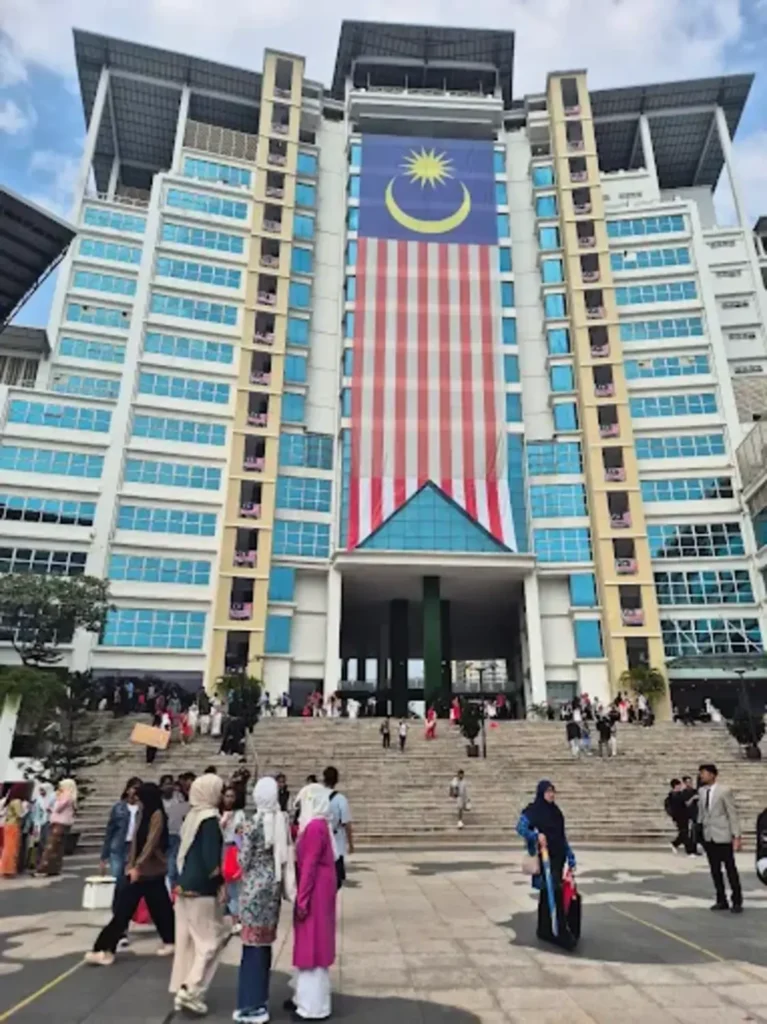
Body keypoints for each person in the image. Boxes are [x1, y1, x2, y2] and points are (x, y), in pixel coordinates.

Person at [86, 782, 175, 966]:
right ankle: (171, 940)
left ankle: (104, 949)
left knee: (124, 910)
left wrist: (137, 866)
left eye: (139, 798)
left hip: (147, 871)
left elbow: (151, 843)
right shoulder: (143, 813)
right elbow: (136, 841)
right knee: (160, 908)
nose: (137, 801)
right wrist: (131, 864)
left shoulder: (157, 815)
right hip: (144, 871)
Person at [235, 777, 294, 1024]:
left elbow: (243, 860)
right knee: (264, 945)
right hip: (272, 889)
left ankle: (251, 1005)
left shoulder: (252, 824)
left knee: (251, 948)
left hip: (253, 891)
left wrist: (239, 841)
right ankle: (261, 999)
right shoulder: (282, 820)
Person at [169, 774, 226, 1016]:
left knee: (189, 941)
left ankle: (186, 985)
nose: (222, 795)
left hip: (184, 885)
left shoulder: (193, 816)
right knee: (210, 941)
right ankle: (191, 988)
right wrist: (221, 883)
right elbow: (211, 860)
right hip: (202, 888)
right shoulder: (210, 819)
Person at [290, 784, 337, 1021]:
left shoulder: (315, 828)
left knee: (312, 948)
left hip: (315, 891)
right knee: (316, 944)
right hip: (321, 889)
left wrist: (302, 900)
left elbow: (309, 866)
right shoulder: (321, 825)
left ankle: (311, 1006)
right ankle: (307, 1000)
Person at [516, 780, 578, 950]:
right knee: (555, 892)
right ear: (541, 793)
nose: (551, 794)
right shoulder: (533, 811)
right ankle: (560, 932)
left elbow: (561, 837)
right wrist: (536, 836)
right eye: (548, 791)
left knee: (547, 892)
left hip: (558, 858)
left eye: (553, 791)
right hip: (544, 858)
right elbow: (521, 828)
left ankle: (544, 928)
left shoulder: (556, 813)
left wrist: (570, 856)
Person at [100, 777, 142, 946]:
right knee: (119, 885)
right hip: (118, 848)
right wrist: (104, 856)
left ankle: (123, 923)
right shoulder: (118, 807)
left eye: (138, 788)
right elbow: (110, 831)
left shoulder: (143, 808)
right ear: (127, 789)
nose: (134, 792)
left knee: (128, 887)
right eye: (132, 788)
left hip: (134, 849)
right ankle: (119, 924)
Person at [698, 764, 743, 913]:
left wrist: (736, 836)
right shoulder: (702, 791)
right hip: (709, 835)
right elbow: (702, 813)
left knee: (730, 869)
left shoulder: (724, 791)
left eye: (704, 773)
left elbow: (732, 813)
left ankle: (737, 900)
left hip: (723, 835)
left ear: (712, 775)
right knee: (715, 870)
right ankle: (721, 899)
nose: (701, 776)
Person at [36, 778, 77, 876]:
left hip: (59, 823)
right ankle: (54, 868)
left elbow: (58, 808)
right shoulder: (71, 796)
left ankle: (43, 869)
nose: (60, 788)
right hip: (65, 823)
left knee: (51, 847)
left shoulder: (66, 796)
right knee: (58, 848)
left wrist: (56, 801)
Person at [221, 784, 247, 929]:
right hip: (221, 847)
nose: (229, 799)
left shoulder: (239, 814)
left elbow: (241, 833)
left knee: (233, 885)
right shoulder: (218, 813)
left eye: (232, 796)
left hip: (234, 848)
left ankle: (236, 919)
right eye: (227, 796)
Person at [323, 766, 353, 890]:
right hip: (337, 842)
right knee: (336, 880)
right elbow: (347, 823)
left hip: (321, 839)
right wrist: (351, 843)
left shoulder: (317, 797)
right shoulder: (341, 799)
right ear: (337, 780)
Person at [161, 774, 189, 891]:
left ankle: (173, 885)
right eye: (166, 784)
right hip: (163, 834)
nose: (169, 787)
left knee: (174, 861)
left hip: (177, 833)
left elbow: (184, 812)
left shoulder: (178, 797)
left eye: (170, 784)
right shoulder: (159, 800)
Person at [0, 784, 29, 877]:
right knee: (12, 849)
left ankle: (5, 868)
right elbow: (20, 814)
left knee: (7, 848)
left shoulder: (10, 800)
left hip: (7, 825)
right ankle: (9, 870)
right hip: (13, 825)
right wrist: (27, 809)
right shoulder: (17, 801)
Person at [665, 779, 695, 856]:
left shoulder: (674, 795)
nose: (680, 786)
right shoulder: (675, 796)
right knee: (684, 832)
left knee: (683, 832)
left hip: (683, 816)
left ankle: (675, 844)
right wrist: (693, 798)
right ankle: (689, 851)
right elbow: (686, 804)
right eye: (679, 785)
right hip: (679, 817)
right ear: (676, 786)